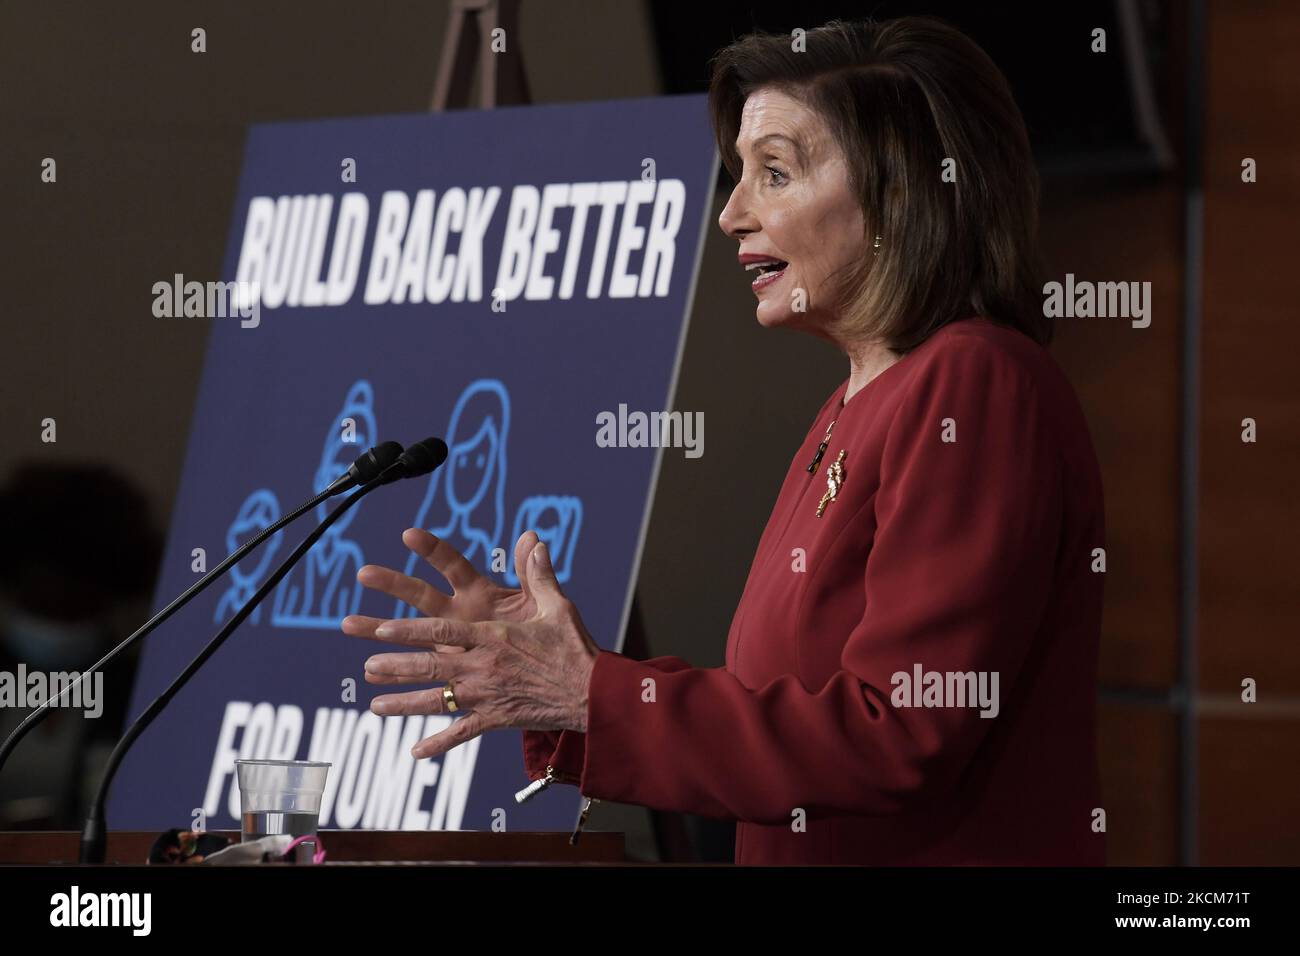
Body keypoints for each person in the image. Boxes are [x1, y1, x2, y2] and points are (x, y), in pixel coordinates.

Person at [340, 16, 1106, 865]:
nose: (732, 212)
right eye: (740, 176)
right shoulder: (852, 403)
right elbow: (780, 709)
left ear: (902, 194)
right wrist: (565, 679)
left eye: (774, 173)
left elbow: (901, 732)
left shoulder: (976, 384)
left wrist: (596, 693)